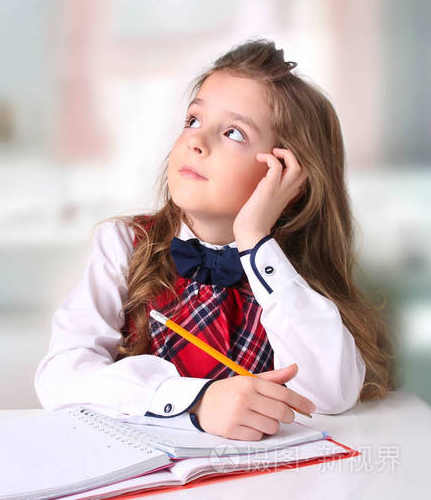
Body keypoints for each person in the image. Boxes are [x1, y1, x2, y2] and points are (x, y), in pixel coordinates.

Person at [34, 38, 396, 441]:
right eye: (193, 120)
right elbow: (61, 376)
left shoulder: (286, 273)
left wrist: (255, 242)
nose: (196, 141)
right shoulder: (122, 243)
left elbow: (332, 393)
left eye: (233, 133)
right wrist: (196, 400)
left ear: (287, 178)